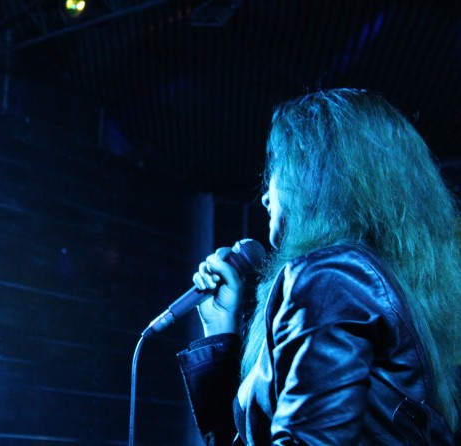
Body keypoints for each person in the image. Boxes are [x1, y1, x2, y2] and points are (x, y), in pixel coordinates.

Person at [177, 89, 460, 444]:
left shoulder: (331, 278)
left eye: (278, 170)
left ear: (314, 177)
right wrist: (221, 331)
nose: (265, 196)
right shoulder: (361, 281)